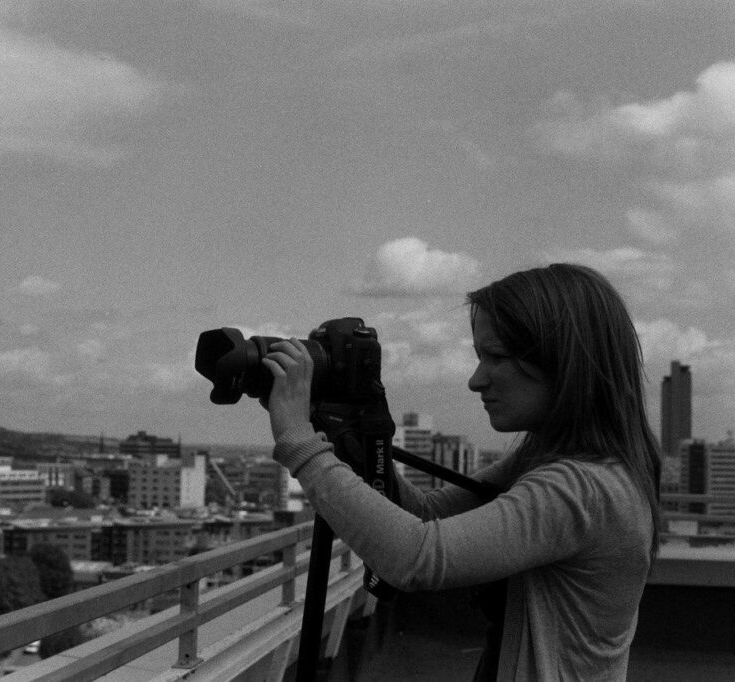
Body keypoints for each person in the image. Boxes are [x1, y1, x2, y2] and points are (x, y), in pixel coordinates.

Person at [262, 263, 661, 681]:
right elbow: (427, 516)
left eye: (496, 357)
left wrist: (299, 442)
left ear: (563, 362)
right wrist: (349, 437)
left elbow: (416, 557)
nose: (476, 380)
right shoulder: (562, 460)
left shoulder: (582, 489)